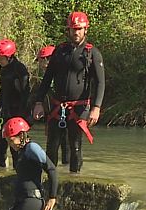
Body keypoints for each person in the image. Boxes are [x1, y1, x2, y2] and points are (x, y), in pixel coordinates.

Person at [31, 11, 105, 173]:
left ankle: (74, 179)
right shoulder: (60, 51)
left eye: (79, 29)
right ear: (69, 31)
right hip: (58, 107)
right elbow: (47, 78)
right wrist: (38, 102)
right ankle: (51, 182)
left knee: (75, 146)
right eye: (73, 29)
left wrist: (96, 107)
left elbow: (100, 83)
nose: (76, 32)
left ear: (86, 29)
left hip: (79, 108)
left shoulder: (93, 54)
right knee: (51, 146)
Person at [0, 39, 31, 169]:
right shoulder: (3, 68)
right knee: (0, 146)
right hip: (5, 112)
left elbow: (26, 95)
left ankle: (17, 173)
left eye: (1, 58)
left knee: (16, 149)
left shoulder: (20, 70)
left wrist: (21, 117)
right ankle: (1, 171)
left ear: (9, 56)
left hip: (17, 113)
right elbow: (3, 90)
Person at [33, 45, 70, 165]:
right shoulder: (45, 79)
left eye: (42, 60)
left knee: (66, 145)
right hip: (52, 117)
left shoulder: (60, 76)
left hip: (65, 114)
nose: (41, 64)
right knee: (52, 148)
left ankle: (67, 171)